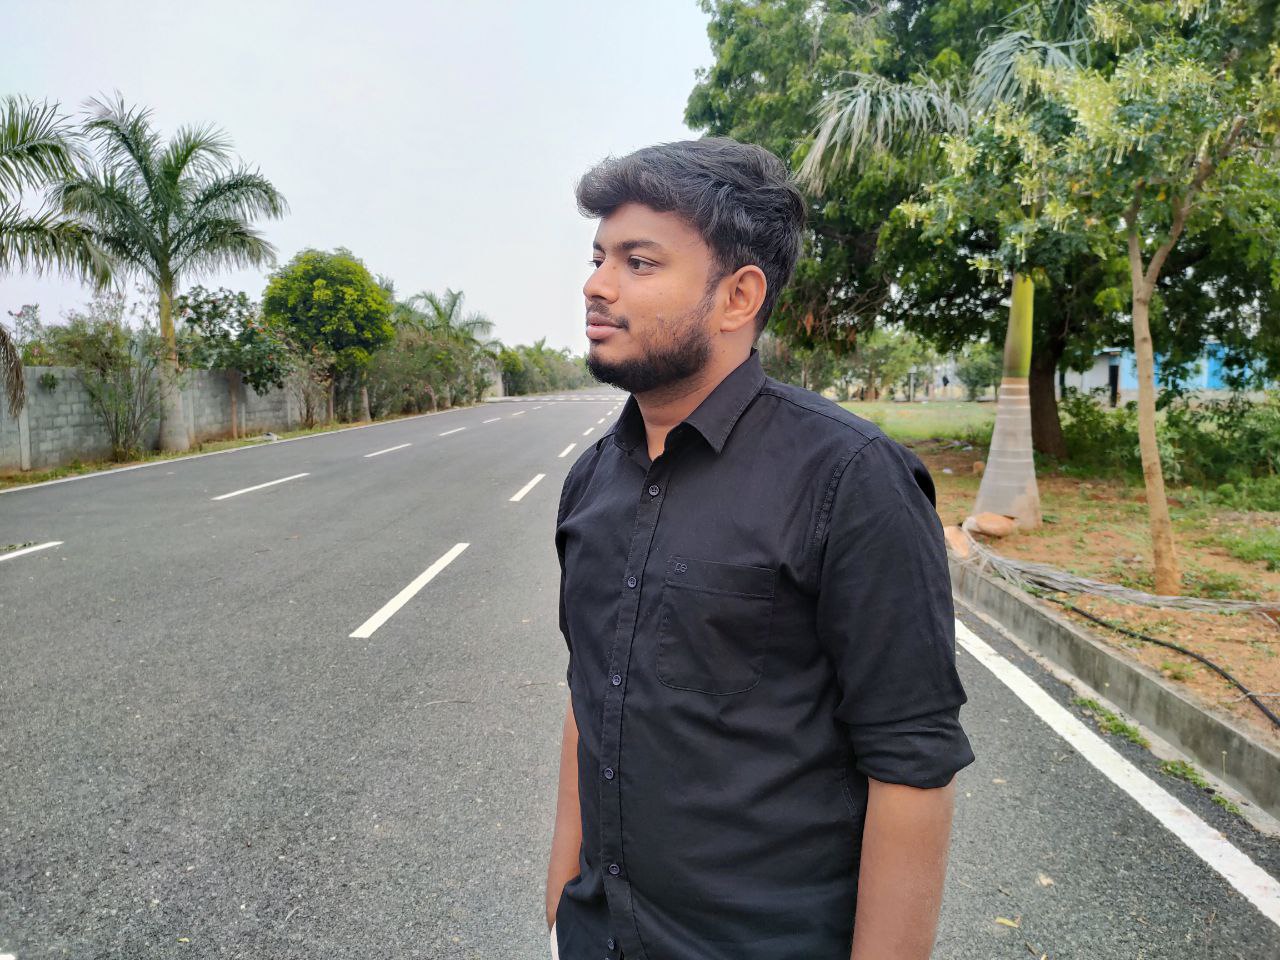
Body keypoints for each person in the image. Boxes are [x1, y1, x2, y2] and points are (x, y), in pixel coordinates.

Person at [546, 137, 975, 960]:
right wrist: (562, 896)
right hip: (600, 936)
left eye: (639, 262)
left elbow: (912, 761)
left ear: (738, 296)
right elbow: (588, 695)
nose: (597, 285)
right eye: (599, 258)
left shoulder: (851, 479)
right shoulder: (591, 482)